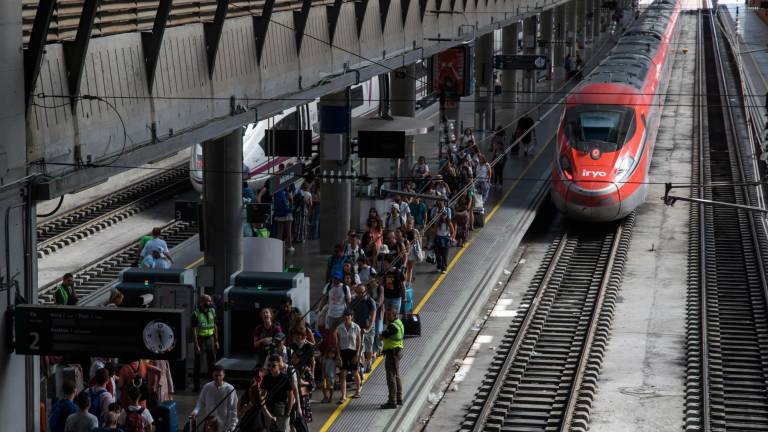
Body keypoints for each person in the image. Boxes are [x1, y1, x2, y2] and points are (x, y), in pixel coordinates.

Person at [191, 366, 238, 432]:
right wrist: (195, 411)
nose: (218, 378)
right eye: (216, 375)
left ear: (223, 375)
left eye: (220, 375)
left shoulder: (230, 389)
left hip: (223, 425)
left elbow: (233, 409)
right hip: (209, 424)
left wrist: (232, 426)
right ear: (213, 375)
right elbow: (201, 402)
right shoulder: (207, 387)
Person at [259, 355, 296, 432]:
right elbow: (262, 395)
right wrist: (265, 410)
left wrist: (288, 412)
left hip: (281, 409)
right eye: (269, 365)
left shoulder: (285, 378)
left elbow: (290, 397)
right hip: (269, 409)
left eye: (274, 365)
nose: (271, 368)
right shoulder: (266, 378)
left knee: (283, 430)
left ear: (279, 365)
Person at [193, 294, 219, 392]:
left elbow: (215, 326)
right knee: (198, 363)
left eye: (210, 300)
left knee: (212, 363)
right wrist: (196, 344)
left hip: (211, 339)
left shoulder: (212, 311)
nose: (210, 303)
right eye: (208, 301)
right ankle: (196, 387)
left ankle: (213, 384)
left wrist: (216, 341)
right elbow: (194, 330)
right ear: (202, 302)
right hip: (200, 339)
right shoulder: (196, 313)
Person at [335, 310, 362, 402]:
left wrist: (357, 354)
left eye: (348, 316)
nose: (347, 317)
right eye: (345, 316)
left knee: (355, 372)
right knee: (343, 374)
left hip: (353, 352)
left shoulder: (356, 327)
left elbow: (359, 341)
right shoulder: (339, 328)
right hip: (343, 352)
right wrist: (338, 355)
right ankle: (343, 396)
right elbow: (338, 343)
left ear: (351, 316)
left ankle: (358, 390)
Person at [380, 307, 404, 409]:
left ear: (394, 315)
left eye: (389, 315)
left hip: (392, 354)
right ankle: (399, 398)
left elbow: (381, 337)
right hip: (397, 351)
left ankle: (392, 401)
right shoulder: (399, 322)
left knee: (391, 377)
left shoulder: (392, 327)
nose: (387, 316)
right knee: (396, 375)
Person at [352, 283, 377, 374]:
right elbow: (350, 312)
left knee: (368, 348)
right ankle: (361, 365)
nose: (360, 295)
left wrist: (368, 329)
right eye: (358, 293)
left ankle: (369, 363)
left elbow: (373, 317)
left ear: (365, 292)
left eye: (362, 292)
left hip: (368, 328)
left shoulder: (371, 301)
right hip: (358, 328)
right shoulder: (355, 301)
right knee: (360, 348)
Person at [433, 206, 455, 274]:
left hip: (445, 239)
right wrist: (435, 238)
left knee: (445, 255)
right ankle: (439, 266)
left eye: (444, 215)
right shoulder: (438, 222)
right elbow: (435, 230)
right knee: (438, 254)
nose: (443, 216)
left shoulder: (449, 222)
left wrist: (450, 238)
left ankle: (444, 268)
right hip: (438, 239)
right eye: (442, 215)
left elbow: (452, 231)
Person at [273, 188, 294, 252]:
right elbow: (290, 204)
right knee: (288, 232)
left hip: (279, 214)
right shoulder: (287, 193)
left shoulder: (277, 192)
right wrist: (291, 199)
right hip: (287, 214)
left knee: (279, 232)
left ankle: (278, 246)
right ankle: (290, 246)